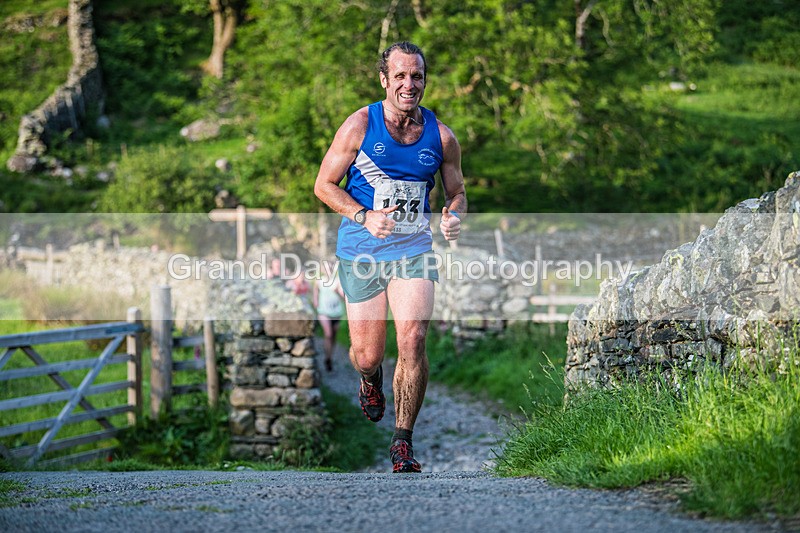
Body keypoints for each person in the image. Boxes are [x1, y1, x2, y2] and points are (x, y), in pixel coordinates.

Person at [314, 41, 467, 473]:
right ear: (384, 79)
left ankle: (403, 443)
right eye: (399, 75)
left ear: (424, 80)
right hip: (361, 249)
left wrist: (454, 216)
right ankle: (369, 380)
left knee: (414, 340)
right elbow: (324, 186)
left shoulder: (441, 137)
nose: (408, 84)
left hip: (413, 250)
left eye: (416, 76)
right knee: (366, 354)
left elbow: (456, 193)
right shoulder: (359, 125)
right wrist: (362, 215)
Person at [313, 270, 346, 372]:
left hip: (336, 312)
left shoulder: (338, 281)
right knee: (328, 334)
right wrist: (315, 300)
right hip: (324, 312)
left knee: (334, 336)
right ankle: (327, 357)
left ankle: (329, 357)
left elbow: (344, 297)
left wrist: (337, 291)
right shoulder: (319, 281)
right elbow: (315, 291)